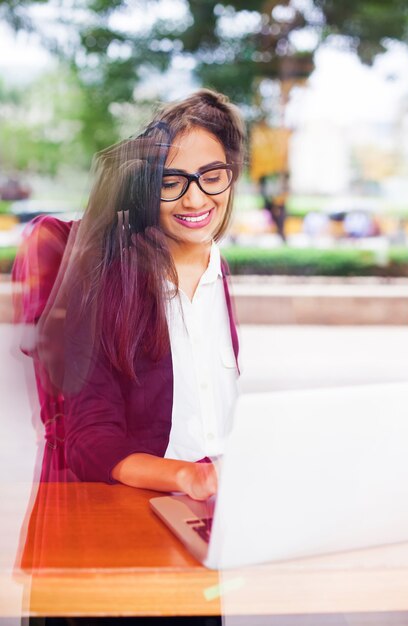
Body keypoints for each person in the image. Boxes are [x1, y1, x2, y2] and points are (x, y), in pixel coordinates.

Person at [13, 89, 245, 503]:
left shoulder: (216, 268)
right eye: (171, 183)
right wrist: (190, 477)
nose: (195, 199)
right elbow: (89, 440)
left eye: (212, 177)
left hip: (222, 507)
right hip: (145, 506)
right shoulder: (109, 280)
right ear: (145, 188)